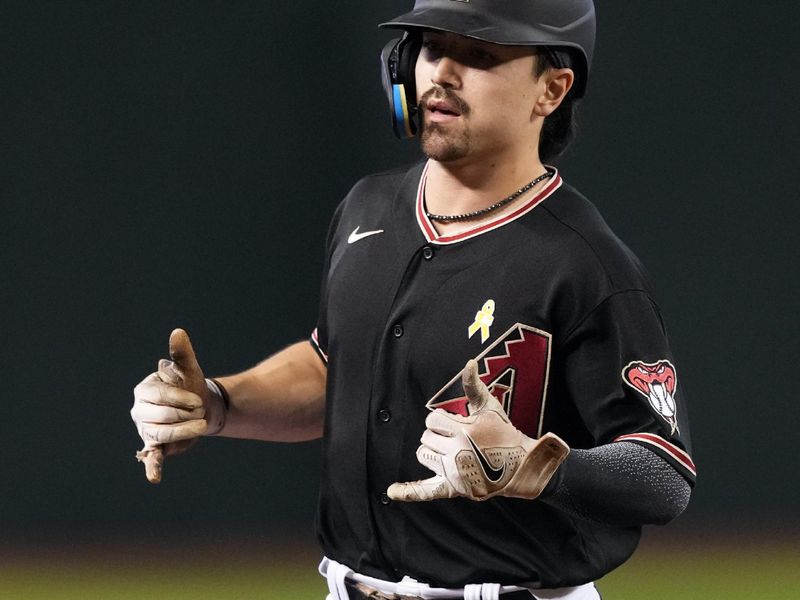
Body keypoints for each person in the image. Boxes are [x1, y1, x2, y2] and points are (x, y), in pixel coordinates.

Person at [130, 2, 696, 599]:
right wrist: (217, 404)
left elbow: (662, 475)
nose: (441, 74)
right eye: (430, 48)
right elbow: (335, 371)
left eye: (479, 55)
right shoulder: (366, 209)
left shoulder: (585, 263)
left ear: (551, 91)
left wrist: (538, 466)